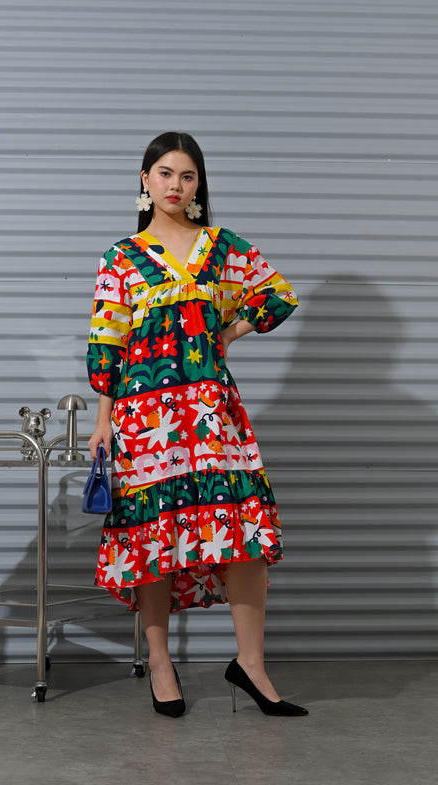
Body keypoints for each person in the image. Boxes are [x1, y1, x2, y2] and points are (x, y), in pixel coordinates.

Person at [87, 131, 307, 718]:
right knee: (154, 535)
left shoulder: (221, 247)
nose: (176, 186)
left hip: (212, 414)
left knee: (243, 534)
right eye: (165, 173)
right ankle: (161, 664)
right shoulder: (121, 258)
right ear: (145, 180)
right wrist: (103, 421)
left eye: (187, 176)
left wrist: (227, 333)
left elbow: (278, 295)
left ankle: (251, 666)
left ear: (198, 185)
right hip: (144, 419)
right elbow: (107, 342)